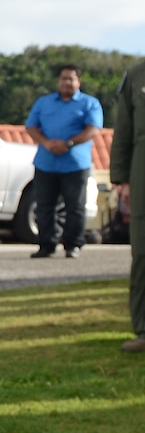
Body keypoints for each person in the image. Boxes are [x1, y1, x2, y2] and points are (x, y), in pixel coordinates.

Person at [25, 65, 103, 261]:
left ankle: (73, 244)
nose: (67, 82)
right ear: (58, 81)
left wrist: (68, 143)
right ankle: (46, 244)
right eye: (63, 78)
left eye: (71, 79)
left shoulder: (89, 103)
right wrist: (46, 143)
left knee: (74, 207)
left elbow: (93, 129)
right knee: (44, 205)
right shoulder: (44, 102)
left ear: (79, 81)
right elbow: (31, 126)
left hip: (75, 164)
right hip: (46, 162)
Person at [111, 57, 145, 353]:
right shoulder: (136, 75)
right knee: (143, 252)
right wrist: (122, 179)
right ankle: (144, 331)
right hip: (142, 171)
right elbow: (123, 130)